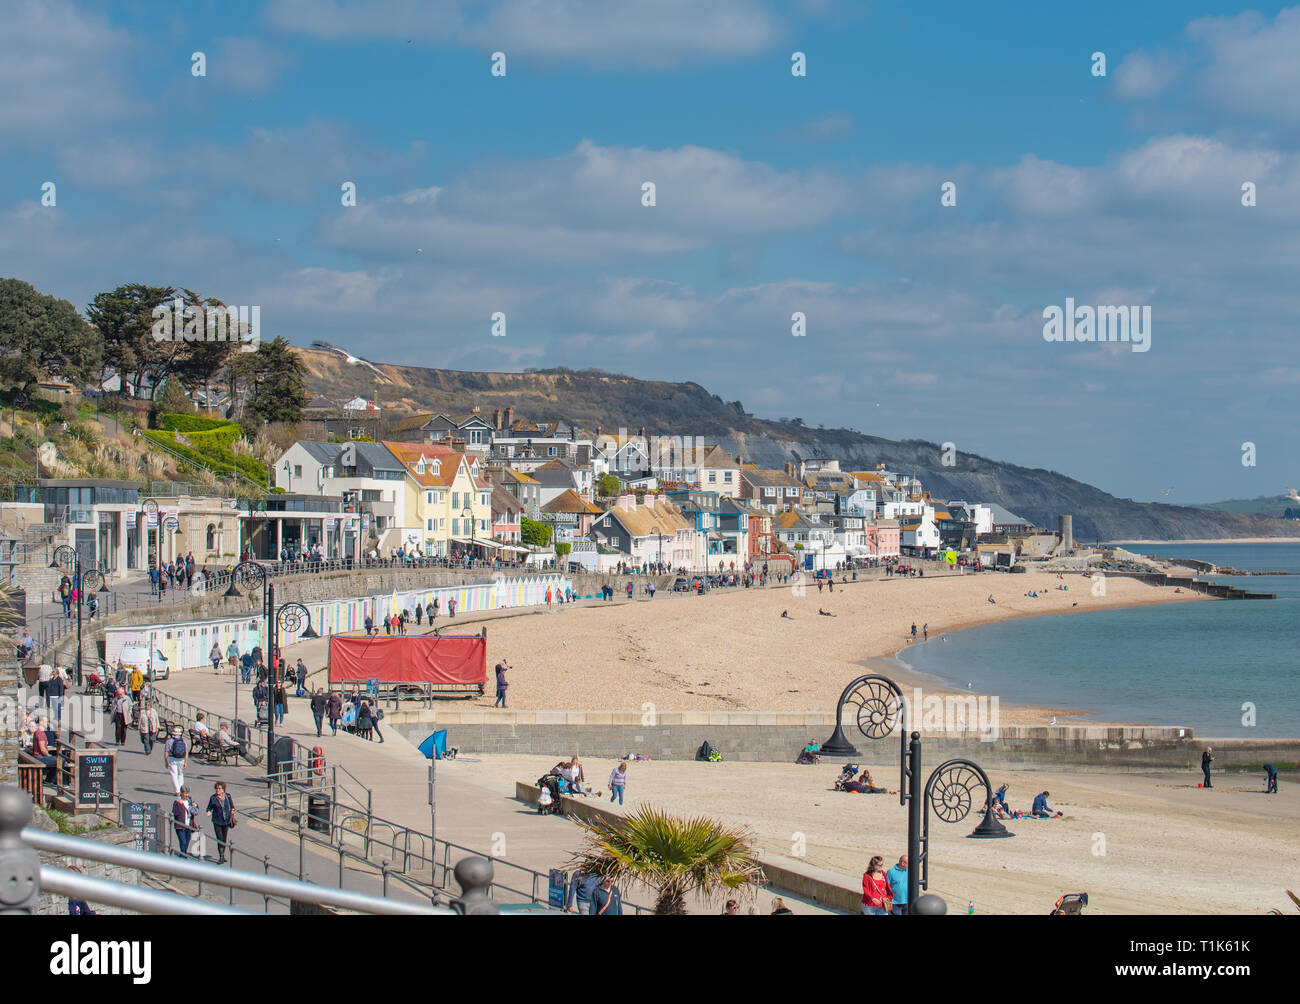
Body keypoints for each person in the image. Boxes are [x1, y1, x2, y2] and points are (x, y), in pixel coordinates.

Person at [206, 781, 234, 865]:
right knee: (220, 839)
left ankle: (223, 855)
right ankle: (221, 856)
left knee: (224, 839)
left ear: (223, 789)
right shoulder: (213, 798)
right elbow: (209, 807)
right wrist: (208, 812)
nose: (217, 790)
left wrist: (232, 810)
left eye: (219, 788)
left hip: (226, 821)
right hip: (217, 821)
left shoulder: (227, 796)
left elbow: (232, 806)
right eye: (216, 788)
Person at [172, 786, 198, 857]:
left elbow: (196, 811)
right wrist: (178, 804)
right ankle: (183, 857)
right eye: (185, 793)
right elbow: (175, 813)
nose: (187, 795)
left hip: (189, 826)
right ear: (181, 793)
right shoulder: (176, 802)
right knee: (183, 842)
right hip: (180, 826)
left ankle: (182, 855)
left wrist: (195, 805)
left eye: (187, 793)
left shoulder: (190, 801)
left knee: (186, 843)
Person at [163, 725, 189, 795]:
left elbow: (166, 752)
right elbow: (186, 752)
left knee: (174, 774)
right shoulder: (183, 741)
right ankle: (181, 789)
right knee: (180, 774)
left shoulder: (169, 741)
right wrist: (186, 762)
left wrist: (166, 762)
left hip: (172, 759)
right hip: (181, 759)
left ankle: (177, 790)